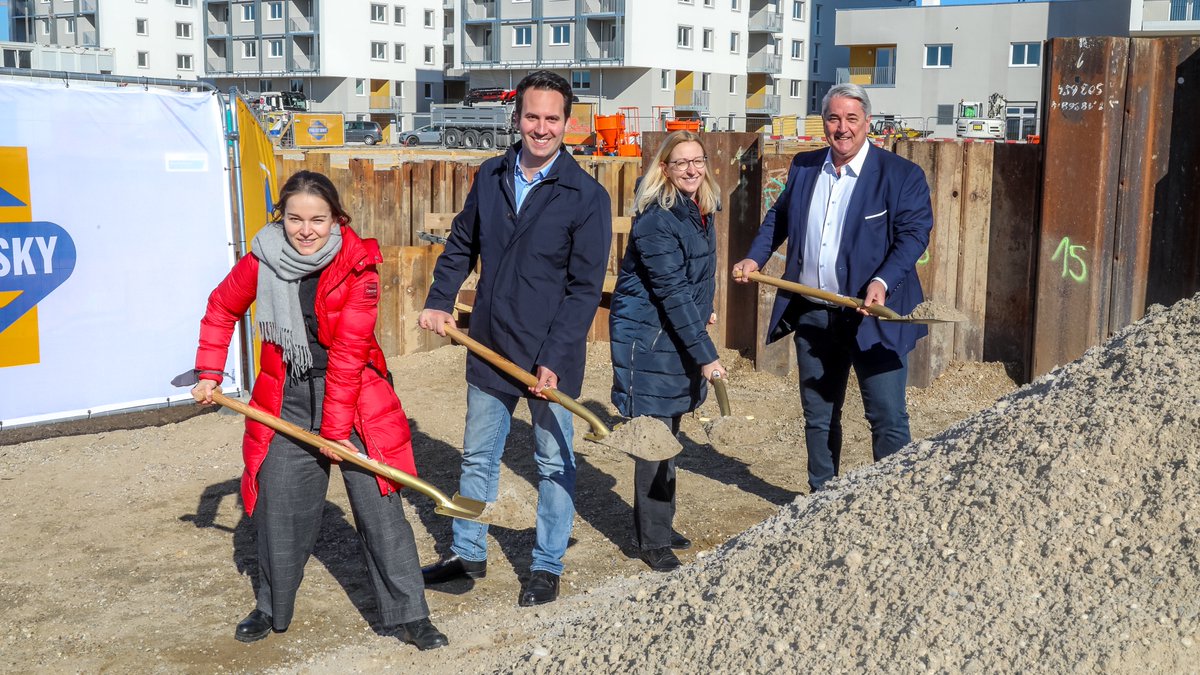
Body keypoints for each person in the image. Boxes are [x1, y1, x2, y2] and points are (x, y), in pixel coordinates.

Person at [189, 171, 447, 650]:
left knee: (380, 507)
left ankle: (411, 615)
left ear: (336, 219)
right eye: (295, 219)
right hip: (285, 395)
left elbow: (349, 352)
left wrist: (335, 432)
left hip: (354, 398)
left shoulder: (357, 264)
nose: (305, 230)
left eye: (317, 220)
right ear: (281, 218)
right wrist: (209, 372)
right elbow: (221, 308)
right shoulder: (263, 258)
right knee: (279, 506)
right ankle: (271, 606)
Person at [417, 71, 611, 607]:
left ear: (567, 123)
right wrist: (440, 298)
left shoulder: (586, 196)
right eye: (532, 116)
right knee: (478, 455)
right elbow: (462, 243)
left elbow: (583, 289)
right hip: (491, 342)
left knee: (553, 462)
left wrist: (555, 357)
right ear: (517, 117)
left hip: (550, 357)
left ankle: (546, 565)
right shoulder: (492, 175)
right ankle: (467, 552)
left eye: (552, 118)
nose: (541, 128)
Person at [732, 83, 933, 493]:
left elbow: (914, 235)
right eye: (833, 118)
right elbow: (779, 217)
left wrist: (882, 281)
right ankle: (821, 499)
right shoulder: (806, 166)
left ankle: (893, 502)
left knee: (887, 416)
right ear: (823, 122)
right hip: (814, 312)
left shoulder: (900, 175)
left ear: (867, 122)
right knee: (819, 415)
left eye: (851, 118)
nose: (842, 128)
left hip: (873, 315)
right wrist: (755, 257)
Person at [609, 131, 726, 572]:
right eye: (681, 163)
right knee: (654, 440)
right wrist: (707, 355)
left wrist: (705, 308)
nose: (692, 170)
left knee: (670, 434)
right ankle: (652, 540)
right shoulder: (657, 220)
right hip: (649, 341)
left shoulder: (699, 211)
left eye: (698, 161)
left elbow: (694, 279)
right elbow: (672, 292)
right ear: (665, 169)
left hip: (674, 334)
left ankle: (659, 523)